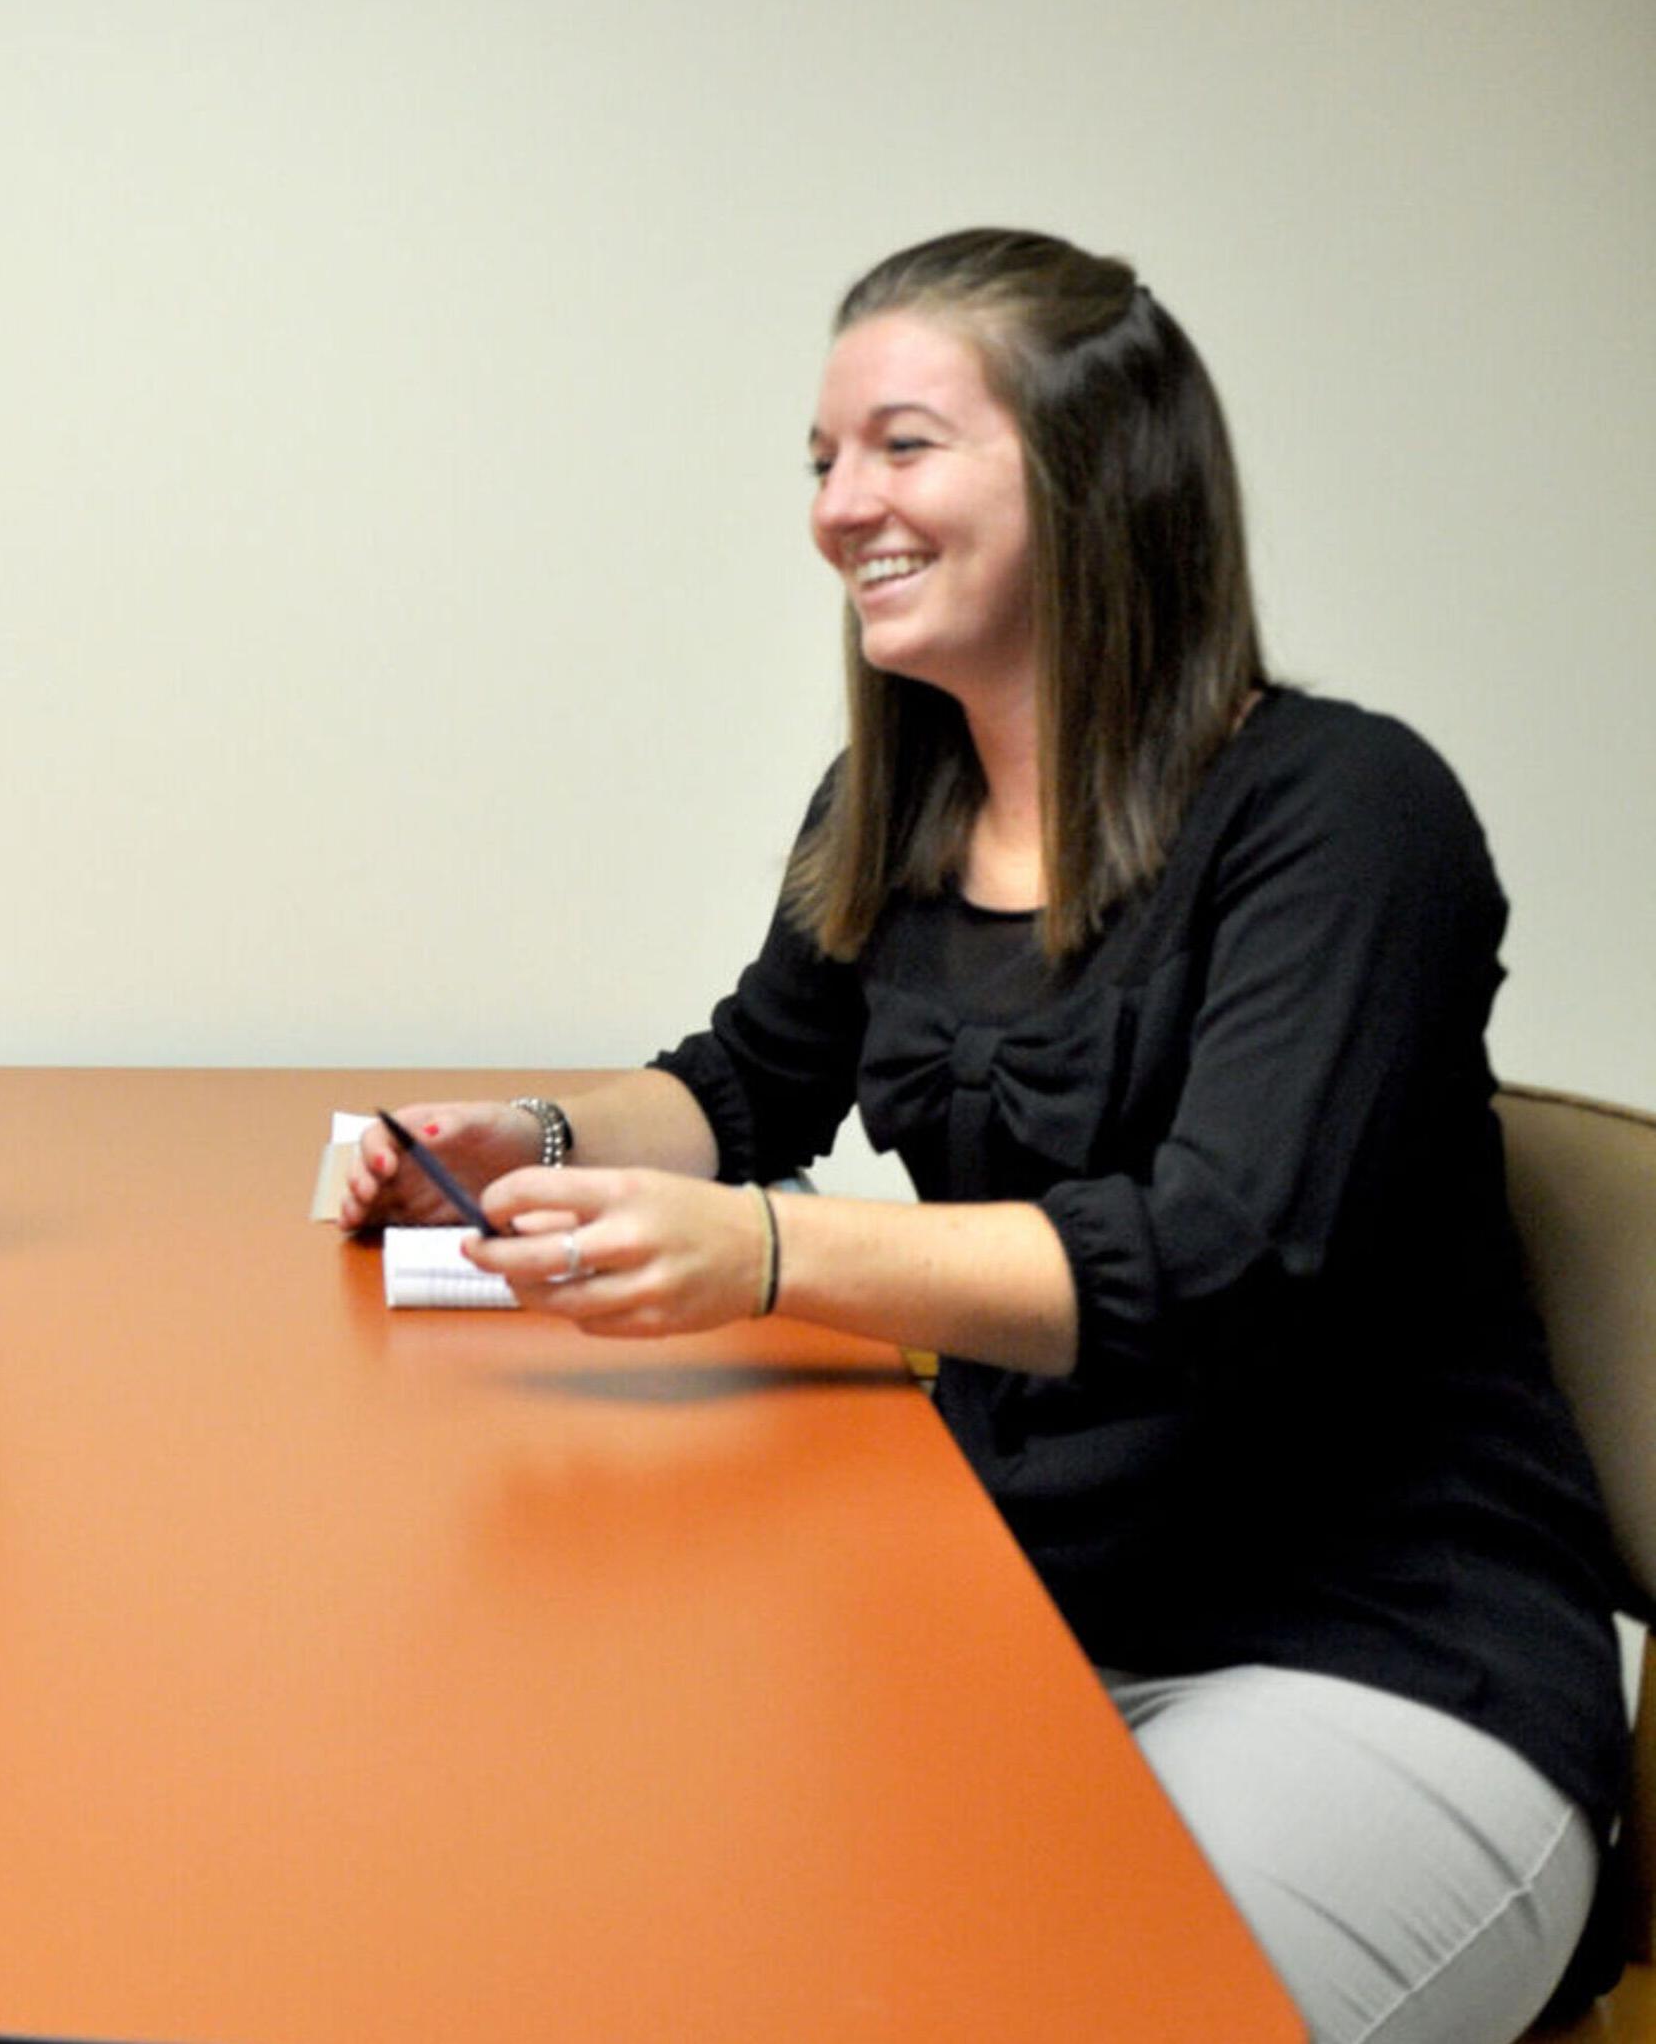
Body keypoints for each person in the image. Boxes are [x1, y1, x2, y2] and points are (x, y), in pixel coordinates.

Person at [339, 230, 1625, 2044]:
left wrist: (772, 1254)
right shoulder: (892, 805)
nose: (836, 505)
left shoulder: (1347, 813)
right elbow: (740, 1090)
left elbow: (1217, 1256)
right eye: (818, 460)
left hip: (1380, 1654)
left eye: (902, 444)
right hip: (1017, 1611)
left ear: (1097, 470)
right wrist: (514, 1130)